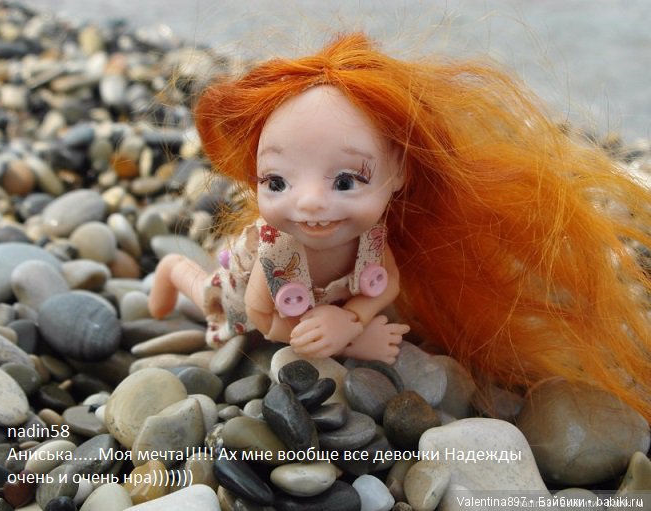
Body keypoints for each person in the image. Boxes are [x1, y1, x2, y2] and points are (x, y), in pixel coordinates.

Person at [149, 33, 651, 420]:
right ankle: (174, 269)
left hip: (325, 305)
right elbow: (264, 317)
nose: (311, 202)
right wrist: (335, 337)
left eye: (346, 180)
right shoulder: (276, 254)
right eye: (276, 182)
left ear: (400, 173)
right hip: (244, 292)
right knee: (210, 296)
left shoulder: (370, 238)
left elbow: (385, 281)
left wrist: (351, 319)